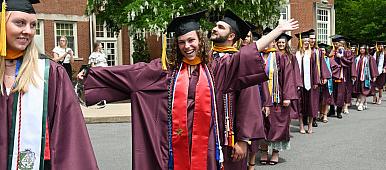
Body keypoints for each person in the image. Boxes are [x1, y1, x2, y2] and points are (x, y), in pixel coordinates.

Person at [79, 9, 298, 170]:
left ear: (200, 40)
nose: (187, 46)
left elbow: (247, 54)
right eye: (182, 42)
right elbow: (131, 73)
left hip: (208, 142)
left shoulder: (215, 69)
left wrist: (277, 31)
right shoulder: (167, 71)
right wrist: (91, 73)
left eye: (191, 40)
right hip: (177, 143)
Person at [0, 0, 98, 169]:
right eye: (20, 23)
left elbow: (70, 136)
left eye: (32, 25)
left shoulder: (49, 73)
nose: (28, 31)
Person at [209, 12, 265, 170]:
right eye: (215, 26)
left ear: (231, 35)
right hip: (206, 132)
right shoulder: (207, 59)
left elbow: (249, 104)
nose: (214, 29)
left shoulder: (240, 61)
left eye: (220, 27)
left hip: (230, 134)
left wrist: (243, 140)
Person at [258, 32, 298, 166]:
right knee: (262, 125)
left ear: (273, 42)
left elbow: (288, 77)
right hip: (259, 99)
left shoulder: (280, 57)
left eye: (267, 40)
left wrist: (287, 97)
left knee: (277, 126)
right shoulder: (257, 57)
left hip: (277, 99)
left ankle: (275, 152)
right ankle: (263, 151)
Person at [295, 30, 329, 134]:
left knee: (311, 105)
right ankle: (301, 126)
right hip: (299, 84)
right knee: (300, 105)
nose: (306, 42)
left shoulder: (313, 54)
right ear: (300, 42)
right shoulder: (296, 54)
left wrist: (316, 82)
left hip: (311, 84)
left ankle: (310, 126)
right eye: (304, 41)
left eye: (307, 41)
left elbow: (315, 69)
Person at [318, 43, 340, 123]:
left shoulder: (329, 59)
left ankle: (325, 115)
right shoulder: (316, 59)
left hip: (327, 83)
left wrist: (330, 75)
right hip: (319, 82)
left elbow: (337, 67)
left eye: (323, 50)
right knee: (320, 100)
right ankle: (320, 113)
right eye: (320, 50)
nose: (322, 52)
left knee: (326, 100)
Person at [353, 44, 378, 111]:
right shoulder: (357, 57)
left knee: (364, 90)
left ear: (365, 50)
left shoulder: (369, 57)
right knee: (360, 90)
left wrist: (374, 76)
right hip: (358, 76)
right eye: (360, 49)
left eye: (363, 49)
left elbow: (373, 67)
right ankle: (364, 102)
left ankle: (361, 104)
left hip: (366, 77)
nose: (361, 50)